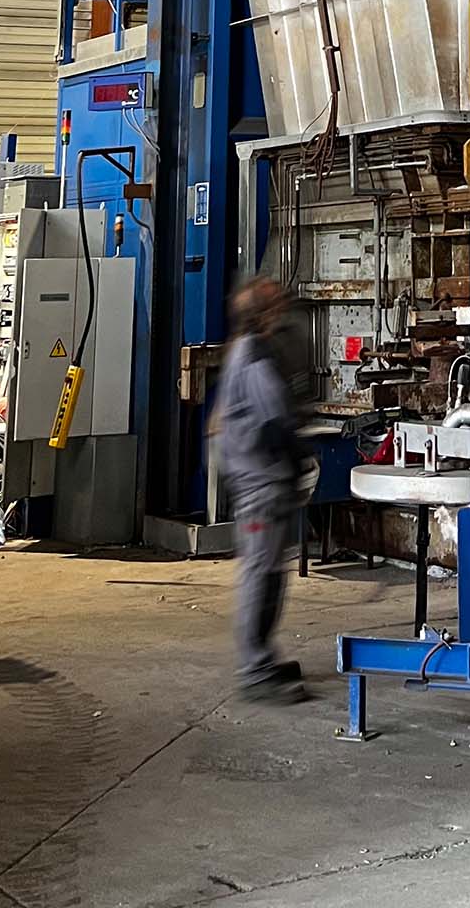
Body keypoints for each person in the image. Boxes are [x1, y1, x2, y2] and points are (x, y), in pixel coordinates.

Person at [215, 278, 309, 702]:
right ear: (263, 313)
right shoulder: (253, 354)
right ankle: (254, 669)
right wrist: (299, 458)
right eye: (276, 303)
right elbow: (273, 422)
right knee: (260, 572)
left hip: (266, 478)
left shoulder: (253, 349)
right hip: (260, 481)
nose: (284, 308)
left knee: (271, 572)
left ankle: (264, 656)